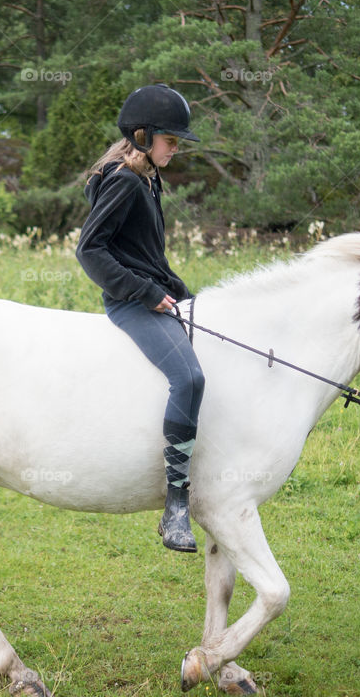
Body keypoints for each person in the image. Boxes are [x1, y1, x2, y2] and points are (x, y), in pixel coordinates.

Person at [76, 84, 205, 552]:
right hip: (130, 302)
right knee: (189, 378)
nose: (176, 147)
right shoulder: (125, 180)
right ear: (142, 135)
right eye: (171, 140)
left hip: (154, 294)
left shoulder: (149, 177)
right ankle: (175, 504)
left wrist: (181, 293)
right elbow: (90, 250)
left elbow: (147, 254)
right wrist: (148, 294)